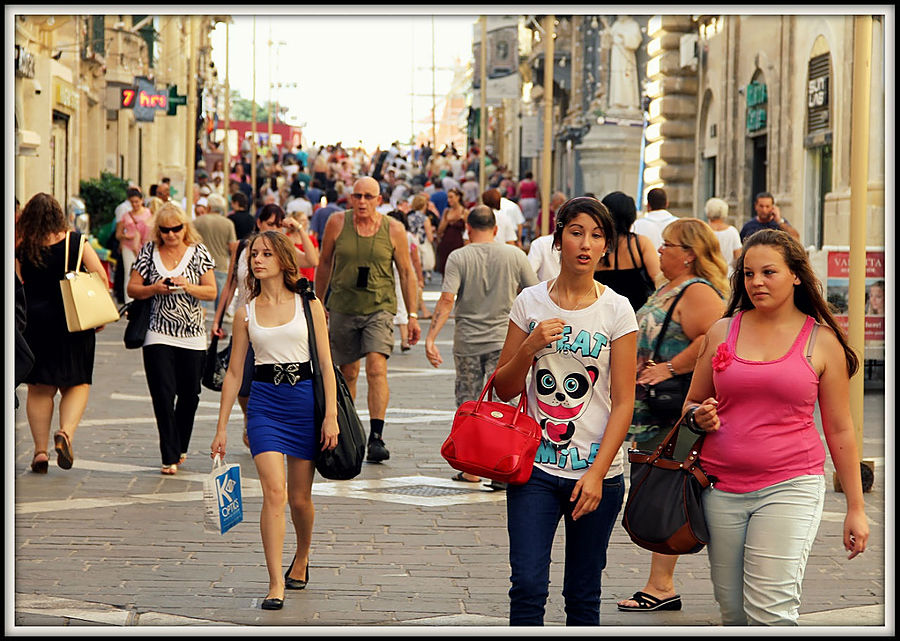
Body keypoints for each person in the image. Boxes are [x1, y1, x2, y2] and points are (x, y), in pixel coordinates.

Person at [686, 229, 868, 625]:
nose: (756, 282)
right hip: (719, 490)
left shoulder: (821, 342)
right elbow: (692, 403)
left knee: (770, 610)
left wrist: (856, 507)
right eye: (748, 274)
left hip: (790, 485)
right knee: (732, 611)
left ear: (796, 275)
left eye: (769, 272)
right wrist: (698, 416)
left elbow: (840, 429)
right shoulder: (722, 331)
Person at [492, 197, 638, 626]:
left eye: (596, 235)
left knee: (582, 595)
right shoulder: (530, 302)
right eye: (576, 232)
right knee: (528, 587)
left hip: (598, 476)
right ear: (558, 239)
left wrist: (597, 473)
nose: (585, 244)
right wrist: (531, 346)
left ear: (607, 245)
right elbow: (504, 387)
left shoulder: (617, 309)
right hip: (533, 470)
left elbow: (624, 401)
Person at [210, 230, 339, 611]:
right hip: (265, 403)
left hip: (304, 401)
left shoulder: (308, 304)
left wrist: (330, 414)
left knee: (300, 499)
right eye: (253, 254)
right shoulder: (244, 313)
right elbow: (234, 374)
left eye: (266, 254)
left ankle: (301, 556)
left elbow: (326, 365)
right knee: (274, 493)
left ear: (283, 260)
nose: (258, 260)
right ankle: (274, 582)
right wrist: (222, 426)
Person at [617, 218, 728, 614]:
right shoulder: (670, 287)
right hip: (652, 408)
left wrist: (671, 367)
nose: (660, 250)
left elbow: (714, 335)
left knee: (665, 486)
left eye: (668, 245)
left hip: (674, 408)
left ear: (689, 254)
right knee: (657, 481)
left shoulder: (697, 291)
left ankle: (660, 585)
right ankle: (661, 583)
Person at [425, 206, 539, 484]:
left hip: (468, 342)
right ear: (496, 229)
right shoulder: (515, 256)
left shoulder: (459, 257)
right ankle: (504, 466)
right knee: (506, 406)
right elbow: (536, 293)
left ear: (468, 227)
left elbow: (447, 299)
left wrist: (430, 338)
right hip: (505, 341)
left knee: (470, 403)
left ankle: (472, 468)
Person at [314, 176, 421, 463]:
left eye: (368, 197)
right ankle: (347, 429)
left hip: (379, 307)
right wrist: (316, 302)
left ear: (379, 200)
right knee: (348, 373)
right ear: (351, 198)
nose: (362, 202)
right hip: (343, 307)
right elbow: (324, 263)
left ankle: (376, 436)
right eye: (357, 196)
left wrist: (411, 315)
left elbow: (407, 273)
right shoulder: (337, 223)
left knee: (376, 368)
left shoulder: (393, 229)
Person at [16, 193, 109, 473]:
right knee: (77, 383)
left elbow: (18, 282)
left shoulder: (22, 246)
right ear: (59, 214)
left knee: (40, 389)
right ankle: (65, 433)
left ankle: (40, 452)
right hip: (74, 320)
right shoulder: (75, 242)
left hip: (34, 324)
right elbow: (100, 276)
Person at [213, 204, 319, 447]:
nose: (258, 260)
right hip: (251, 324)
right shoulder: (242, 249)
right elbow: (229, 284)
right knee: (244, 381)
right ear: (259, 222)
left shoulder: (306, 302)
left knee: (298, 487)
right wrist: (218, 319)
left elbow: (312, 260)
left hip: (298, 391)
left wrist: (299, 230)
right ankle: (251, 420)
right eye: (270, 223)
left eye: (278, 224)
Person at [126, 202, 218, 475]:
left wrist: (187, 285)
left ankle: (180, 447)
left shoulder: (198, 252)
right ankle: (169, 455)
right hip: (157, 332)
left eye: (176, 229)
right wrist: (155, 287)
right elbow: (132, 287)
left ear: (184, 227)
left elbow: (211, 291)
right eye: (165, 230)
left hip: (192, 335)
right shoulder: (149, 251)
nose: (171, 235)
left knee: (190, 395)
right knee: (163, 395)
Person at [594, 191, 662, 311]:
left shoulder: (596, 243)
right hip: (635, 313)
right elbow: (657, 278)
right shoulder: (640, 243)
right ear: (631, 217)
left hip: (601, 313)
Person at [193, 192, 237, 314]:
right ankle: (217, 328)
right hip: (221, 265)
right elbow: (232, 247)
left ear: (209, 207)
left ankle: (200, 324)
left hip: (200, 266)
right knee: (220, 302)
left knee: (202, 301)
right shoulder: (228, 223)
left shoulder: (198, 221)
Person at [115, 187, 154, 304]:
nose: (135, 204)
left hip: (144, 247)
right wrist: (126, 236)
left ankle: (142, 297)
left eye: (137, 201)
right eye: (132, 202)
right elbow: (118, 234)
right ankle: (129, 301)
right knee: (129, 272)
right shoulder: (126, 216)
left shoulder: (148, 213)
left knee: (145, 272)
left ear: (142, 200)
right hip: (128, 247)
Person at [705, 197, 742, 276]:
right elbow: (738, 257)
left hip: (708, 274)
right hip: (727, 274)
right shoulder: (732, 231)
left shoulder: (703, 231)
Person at [435, 188, 467, 276]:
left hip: (458, 244)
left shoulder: (464, 212)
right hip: (446, 244)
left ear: (458, 197)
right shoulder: (447, 212)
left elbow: (468, 230)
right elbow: (440, 230)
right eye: (448, 198)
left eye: (451, 197)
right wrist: (447, 220)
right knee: (445, 272)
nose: (449, 200)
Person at [407, 193, 437, 280]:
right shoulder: (425, 218)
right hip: (422, 244)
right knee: (421, 264)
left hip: (411, 244)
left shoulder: (408, 217)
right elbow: (430, 237)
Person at [517, 171, 541, 241]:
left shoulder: (521, 183)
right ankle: (529, 234)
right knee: (531, 219)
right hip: (532, 200)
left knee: (524, 218)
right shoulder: (534, 183)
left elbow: (518, 193)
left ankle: (524, 233)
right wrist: (540, 201)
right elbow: (538, 193)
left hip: (524, 200)